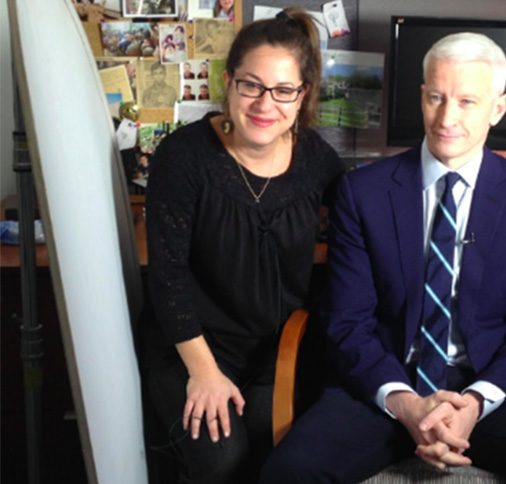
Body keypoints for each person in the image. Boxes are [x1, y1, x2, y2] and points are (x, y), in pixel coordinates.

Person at [260, 32, 506, 483]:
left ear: (498, 108)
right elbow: (346, 322)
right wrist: (406, 403)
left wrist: (473, 404)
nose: (446, 118)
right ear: (421, 96)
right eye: (436, 97)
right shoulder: (362, 193)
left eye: (466, 102)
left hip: (486, 396)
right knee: (288, 473)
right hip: (382, 392)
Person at [141, 6, 344, 483]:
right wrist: (205, 373)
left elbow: (367, 221)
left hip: (279, 351)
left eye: (282, 90)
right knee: (222, 459)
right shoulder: (183, 156)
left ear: (302, 96)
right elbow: (166, 277)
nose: (264, 103)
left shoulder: (316, 159)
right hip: (192, 346)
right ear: (229, 83)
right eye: (250, 85)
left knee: (283, 451)